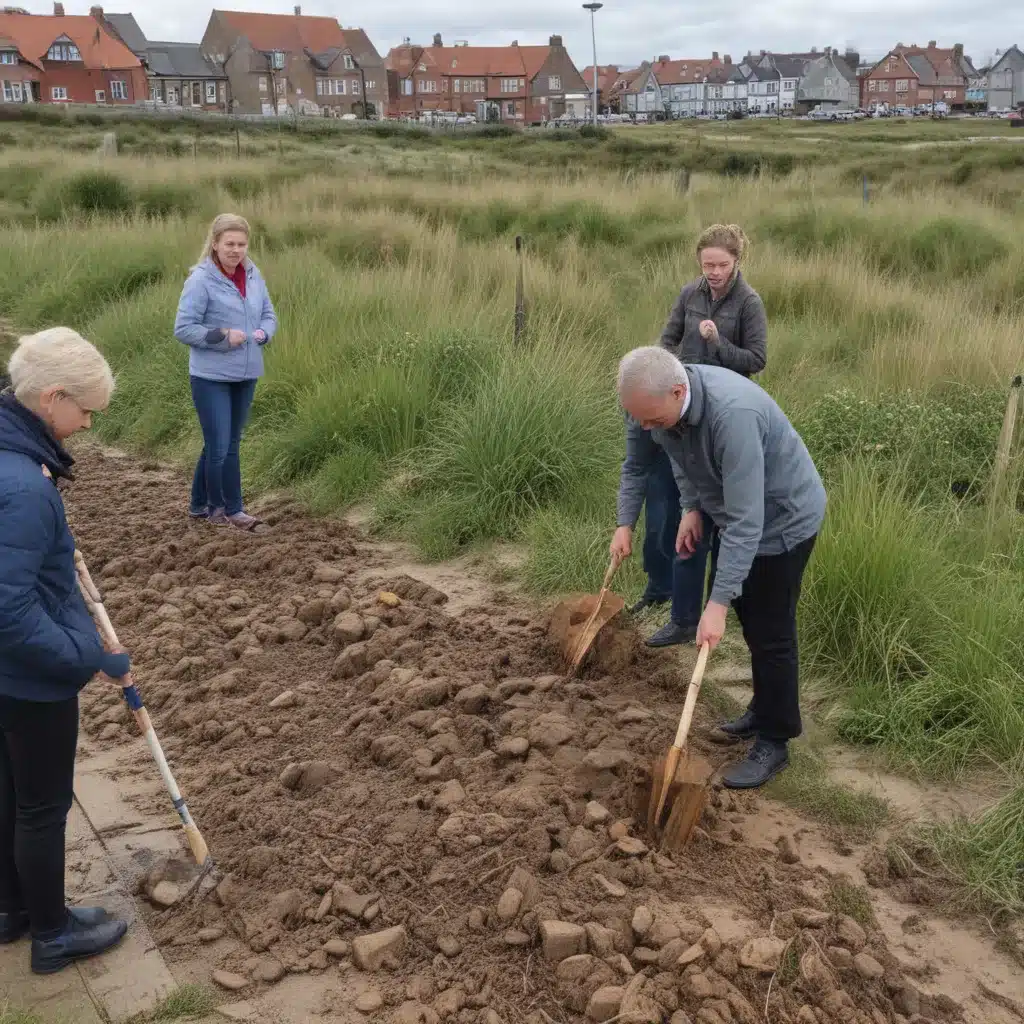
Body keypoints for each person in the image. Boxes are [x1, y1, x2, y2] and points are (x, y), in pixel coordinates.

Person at [615, 346, 826, 789]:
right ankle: (760, 709)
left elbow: (748, 524)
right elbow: (680, 456)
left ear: (678, 392)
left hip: (781, 520)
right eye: (639, 419)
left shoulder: (735, 415)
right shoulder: (664, 411)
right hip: (736, 514)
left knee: (771, 631)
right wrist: (692, 507)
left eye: (652, 419)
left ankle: (775, 740)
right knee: (750, 617)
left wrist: (717, 603)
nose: (645, 428)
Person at [0, 328, 130, 973]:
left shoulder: (14, 461)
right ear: (51, 400)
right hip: (28, 680)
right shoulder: (22, 486)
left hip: (7, 678)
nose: (86, 425)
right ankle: (52, 934)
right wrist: (85, 658)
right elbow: (9, 610)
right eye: (85, 412)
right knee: (43, 807)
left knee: (8, 791)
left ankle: (11, 911)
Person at [615, 224, 767, 648]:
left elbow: (756, 360)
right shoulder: (690, 294)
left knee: (718, 518)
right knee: (677, 514)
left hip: (715, 420)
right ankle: (675, 609)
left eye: (721, 264)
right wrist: (661, 371)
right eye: (707, 265)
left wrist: (717, 342)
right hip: (672, 410)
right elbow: (668, 340)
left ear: (737, 261)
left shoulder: (749, 303)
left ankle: (717, 610)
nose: (714, 272)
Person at [174, 213, 277, 532]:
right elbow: (184, 329)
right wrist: (222, 336)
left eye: (241, 244)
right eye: (229, 243)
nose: (236, 250)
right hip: (211, 377)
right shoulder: (200, 280)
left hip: (246, 373)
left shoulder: (254, 275)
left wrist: (263, 334)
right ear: (215, 244)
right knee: (222, 446)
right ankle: (228, 510)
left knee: (223, 442)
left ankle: (197, 505)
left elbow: (269, 315)